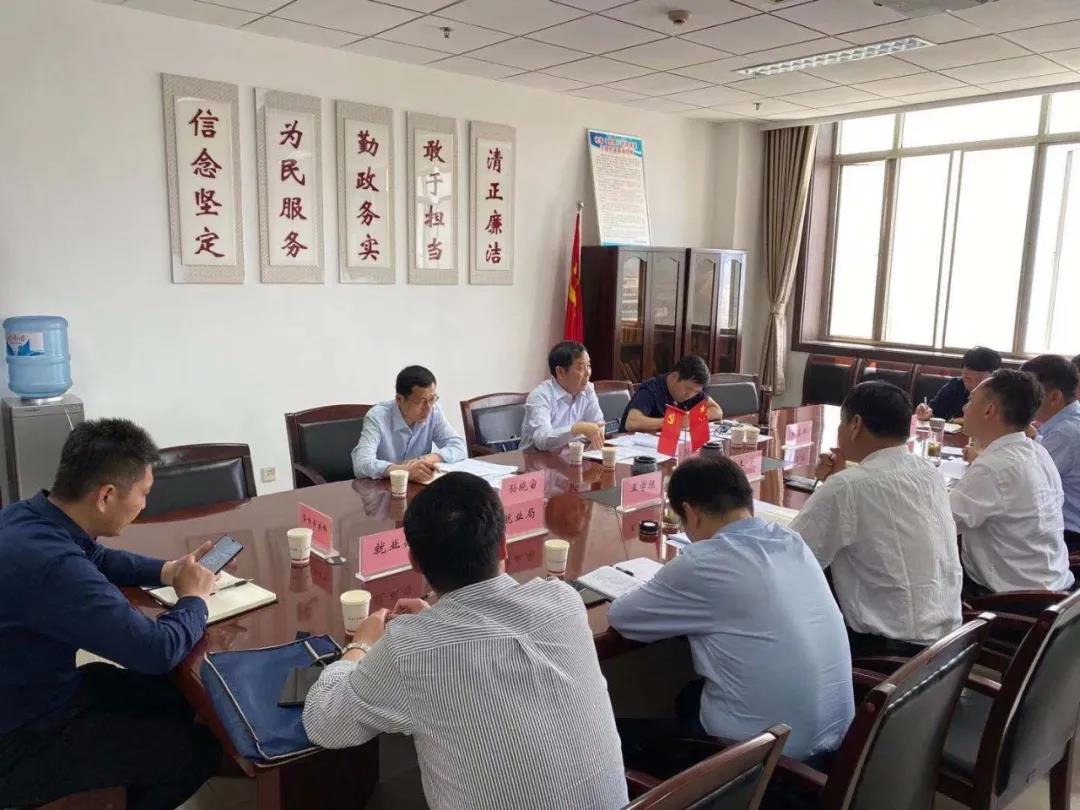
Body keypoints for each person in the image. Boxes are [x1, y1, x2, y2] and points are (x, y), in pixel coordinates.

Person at [303, 472, 628, 810]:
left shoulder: (409, 650)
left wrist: (361, 645)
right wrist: (437, 618)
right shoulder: (564, 602)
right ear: (503, 545)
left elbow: (324, 721)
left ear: (414, 562)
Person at [0, 419, 221, 810]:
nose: (144, 505)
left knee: (175, 696)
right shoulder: (54, 567)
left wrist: (168, 571)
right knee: (197, 748)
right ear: (106, 495)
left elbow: (95, 557)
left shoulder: (27, 516)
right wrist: (195, 600)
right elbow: (154, 651)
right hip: (20, 741)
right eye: (143, 493)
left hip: (37, 690)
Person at [609, 457, 853, 767]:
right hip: (836, 749)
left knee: (613, 738)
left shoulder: (705, 562)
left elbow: (622, 617)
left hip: (766, 765)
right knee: (688, 696)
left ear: (691, 514)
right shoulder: (792, 541)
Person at [790, 382, 962, 658]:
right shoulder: (927, 472)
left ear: (855, 425)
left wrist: (833, 484)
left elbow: (791, 560)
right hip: (947, 644)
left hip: (887, 653)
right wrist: (836, 480)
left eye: (842, 422)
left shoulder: (848, 487)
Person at [950, 369, 1074, 596]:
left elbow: (941, 522)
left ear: (989, 410)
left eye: (971, 401)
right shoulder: (1037, 451)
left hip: (1011, 599)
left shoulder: (994, 467)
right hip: (1055, 587)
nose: (965, 408)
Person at [351, 365, 466, 482]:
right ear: (399, 399)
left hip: (418, 485)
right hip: (382, 487)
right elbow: (361, 464)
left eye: (432, 399)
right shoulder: (377, 417)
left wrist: (426, 459)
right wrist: (404, 471)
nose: (428, 408)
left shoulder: (434, 412)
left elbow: (459, 446)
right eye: (421, 402)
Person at [1020, 355, 1080, 553]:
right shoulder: (1067, 421)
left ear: (1054, 397)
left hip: (1068, 535)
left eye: (1031, 393)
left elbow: (1025, 481)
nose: (1023, 400)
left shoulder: (1066, 433)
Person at [520, 340, 605, 452]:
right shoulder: (540, 396)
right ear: (560, 372)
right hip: (536, 459)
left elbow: (598, 423)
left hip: (571, 457)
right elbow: (542, 440)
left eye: (588, 366)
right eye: (580, 368)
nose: (588, 372)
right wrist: (577, 428)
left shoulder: (588, 390)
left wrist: (595, 437)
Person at [620, 354, 724, 432]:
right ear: (675, 376)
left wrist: (693, 418)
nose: (689, 395)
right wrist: (675, 422)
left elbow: (717, 410)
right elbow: (631, 423)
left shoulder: (693, 391)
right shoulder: (651, 389)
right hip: (632, 449)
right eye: (687, 389)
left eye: (696, 392)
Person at [916, 346, 1001, 422]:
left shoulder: (999, 392)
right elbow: (934, 411)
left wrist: (959, 421)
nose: (966, 371)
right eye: (965, 366)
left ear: (990, 373)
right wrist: (926, 412)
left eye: (973, 368)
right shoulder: (956, 385)